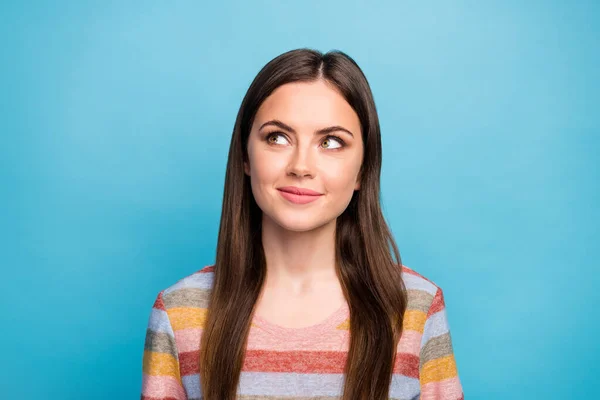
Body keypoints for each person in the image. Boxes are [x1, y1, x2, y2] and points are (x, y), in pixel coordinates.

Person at [140, 48, 464, 400]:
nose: (301, 166)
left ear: (362, 170)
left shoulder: (414, 307)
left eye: (331, 142)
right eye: (277, 137)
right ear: (246, 156)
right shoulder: (179, 313)